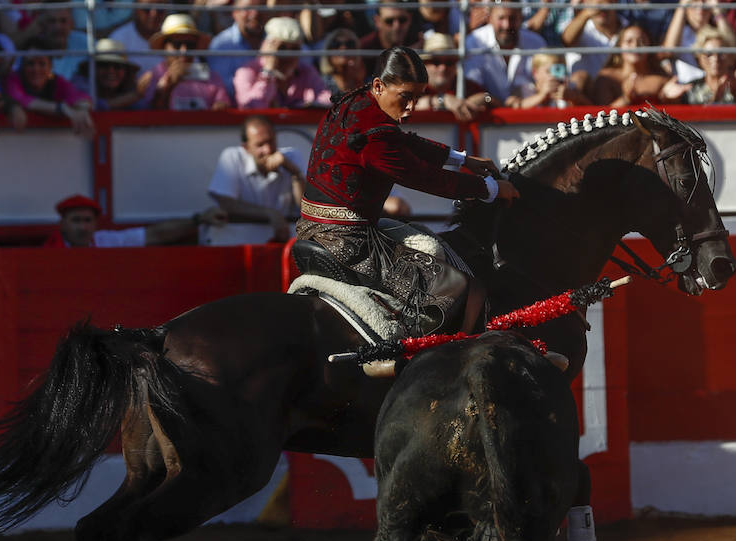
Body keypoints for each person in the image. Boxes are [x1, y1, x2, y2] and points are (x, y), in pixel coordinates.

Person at [295, 45, 515, 330]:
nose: (411, 107)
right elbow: (428, 179)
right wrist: (492, 189)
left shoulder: (356, 102)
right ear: (379, 85)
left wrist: (463, 159)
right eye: (405, 97)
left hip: (312, 228)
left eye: (417, 97)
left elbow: (404, 141)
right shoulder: (375, 136)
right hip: (349, 242)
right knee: (464, 288)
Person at [206, 114, 305, 244]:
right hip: (239, 242)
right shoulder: (232, 157)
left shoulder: (292, 157)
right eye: (260, 145)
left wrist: (295, 173)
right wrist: (270, 214)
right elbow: (227, 204)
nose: (268, 150)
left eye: (271, 141)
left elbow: (305, 208)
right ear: (246, 148)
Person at [44, 193, 227, 247]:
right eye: (76, 220)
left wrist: (199, 219)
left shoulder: (104, 241)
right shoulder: (49, 250)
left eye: (87, 220)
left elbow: (155, 234)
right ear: (63, 224)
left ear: (95, 224)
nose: (83, 227)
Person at [138, 13, 234, 110]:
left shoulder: (212, 77)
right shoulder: (152, 78)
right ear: (164, 47)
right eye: (177, 44)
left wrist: (220, 108)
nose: (184, 51)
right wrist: (165, 90)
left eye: (190, 45)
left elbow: (223, 107)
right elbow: (153, 116)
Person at [462, 0, 546, 104]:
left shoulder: (536, 43)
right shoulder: (474, 42)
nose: (507, 25)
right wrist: (493, 101)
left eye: (512, 18)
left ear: (521, 18)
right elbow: (473, 88)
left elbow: (545, 82)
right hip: (488, 114)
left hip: (529, 111)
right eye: (501, 18)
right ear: (489, 18)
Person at [233, 15, 330, 108]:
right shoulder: (247, 72)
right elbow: (252, 107)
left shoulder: (306, 71)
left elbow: (326, 101)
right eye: (281, 48)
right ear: (266, 47)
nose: (288, 55)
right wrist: (268, 71)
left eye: (294, 49)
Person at [4, 40, 96, 133]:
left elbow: (81, 97)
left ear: (50, 67)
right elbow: (20, 99)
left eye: (42, 64)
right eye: (30, 63)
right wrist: (62, 109)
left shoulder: (57, 81)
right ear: (22, 66)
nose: (36, 69)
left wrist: (82, 109)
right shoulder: (13, 79)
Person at [661, 23, 736, 103]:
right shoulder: (691, 89)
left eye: (721, 53)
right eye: (709, 54)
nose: (715, 59)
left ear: (731, 57)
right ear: (699, 59)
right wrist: (666, 97)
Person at [413, 30, 492, 118]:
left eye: (449, 62)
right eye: (436, 62)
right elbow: (408, 106)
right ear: (424, 64)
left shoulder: (467, 86)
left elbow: (496, 101)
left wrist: (485, 98)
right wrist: (442, 100)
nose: (443, 68)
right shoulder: (415, 88)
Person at [588, 23, 672, 105]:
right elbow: (601, 114)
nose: (635, 46)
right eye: (629, 41)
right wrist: (626, 99)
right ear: (619, 47)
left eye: (642, 41)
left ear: (650, 45)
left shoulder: (661, 79)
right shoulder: (606, 78)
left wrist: (670, 99)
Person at [206, 0, 267, 86]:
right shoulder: (221, 45)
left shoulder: (276, 40)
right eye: (248, 8)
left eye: (261, 7)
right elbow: (222, 86)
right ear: (235, 12)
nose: (255, 13)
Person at [108, 0, 169, 73]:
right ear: (135, 8)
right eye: (147, 8)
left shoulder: (175, 39)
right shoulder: (118, 39)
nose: (153, 14)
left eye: (160, 8)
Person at [72, 38, 142, 109]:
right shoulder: (79, 83)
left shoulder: (132, 86)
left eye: (118, 66)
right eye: (104, 65)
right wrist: (132, 97)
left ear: (126, 71)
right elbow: (92, 105)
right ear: (92, 68)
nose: (111, 71)